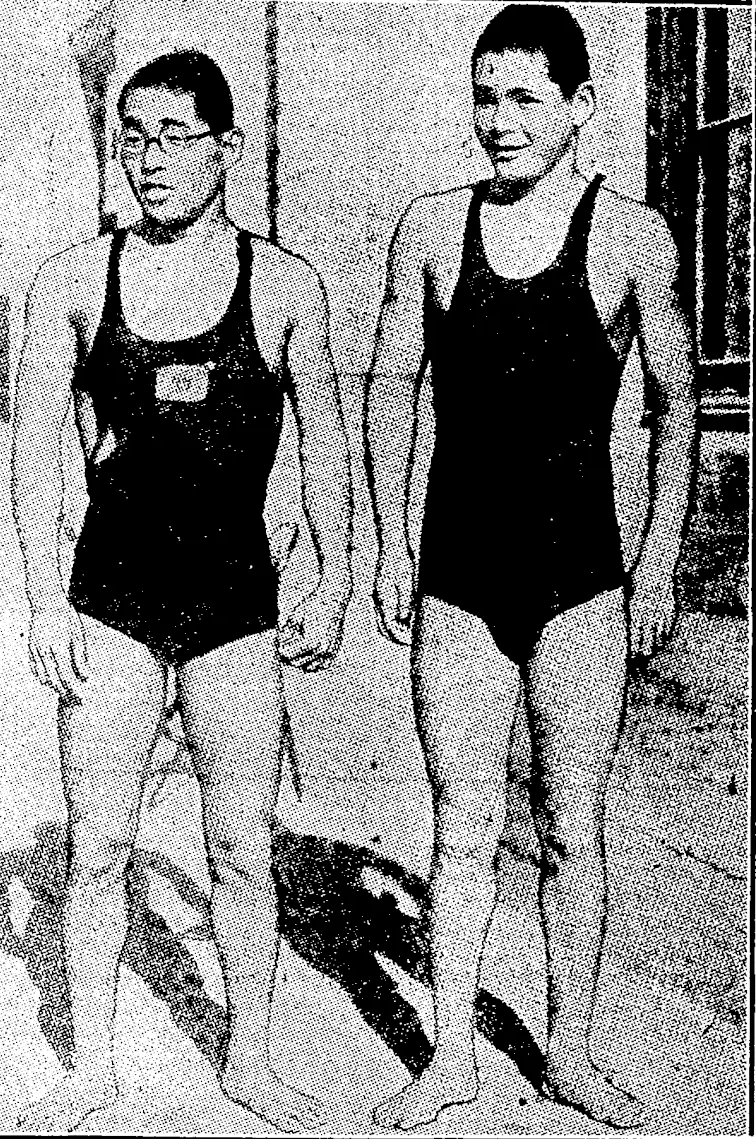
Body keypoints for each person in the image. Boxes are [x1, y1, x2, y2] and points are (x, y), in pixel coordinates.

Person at [366, 5, 696, 1130]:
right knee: (461, 827)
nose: (498, 120)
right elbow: (388, 385)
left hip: (580, 581)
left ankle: (571, 1053)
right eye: (483, 96)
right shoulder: (428, 228)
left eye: (522, 97)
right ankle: (450, 1054)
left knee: (571, 828)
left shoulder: (632, 237)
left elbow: (676, 403)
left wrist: (658, 560)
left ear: (579, 105)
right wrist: (389, 538)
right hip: (458, 579)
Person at [12, 49, 352, 1134]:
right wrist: (42, 600)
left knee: (241, 848)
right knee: (98, 844)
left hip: (233, 605)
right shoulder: (74, 280)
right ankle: (92, 1068)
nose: (150, 159)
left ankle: (251, 1059)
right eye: (133, 138)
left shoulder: (286, 285)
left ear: (226, 146)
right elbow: (31, 456)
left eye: (173, 136)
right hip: (111, 599)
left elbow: (328, 445)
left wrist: (334, 576)